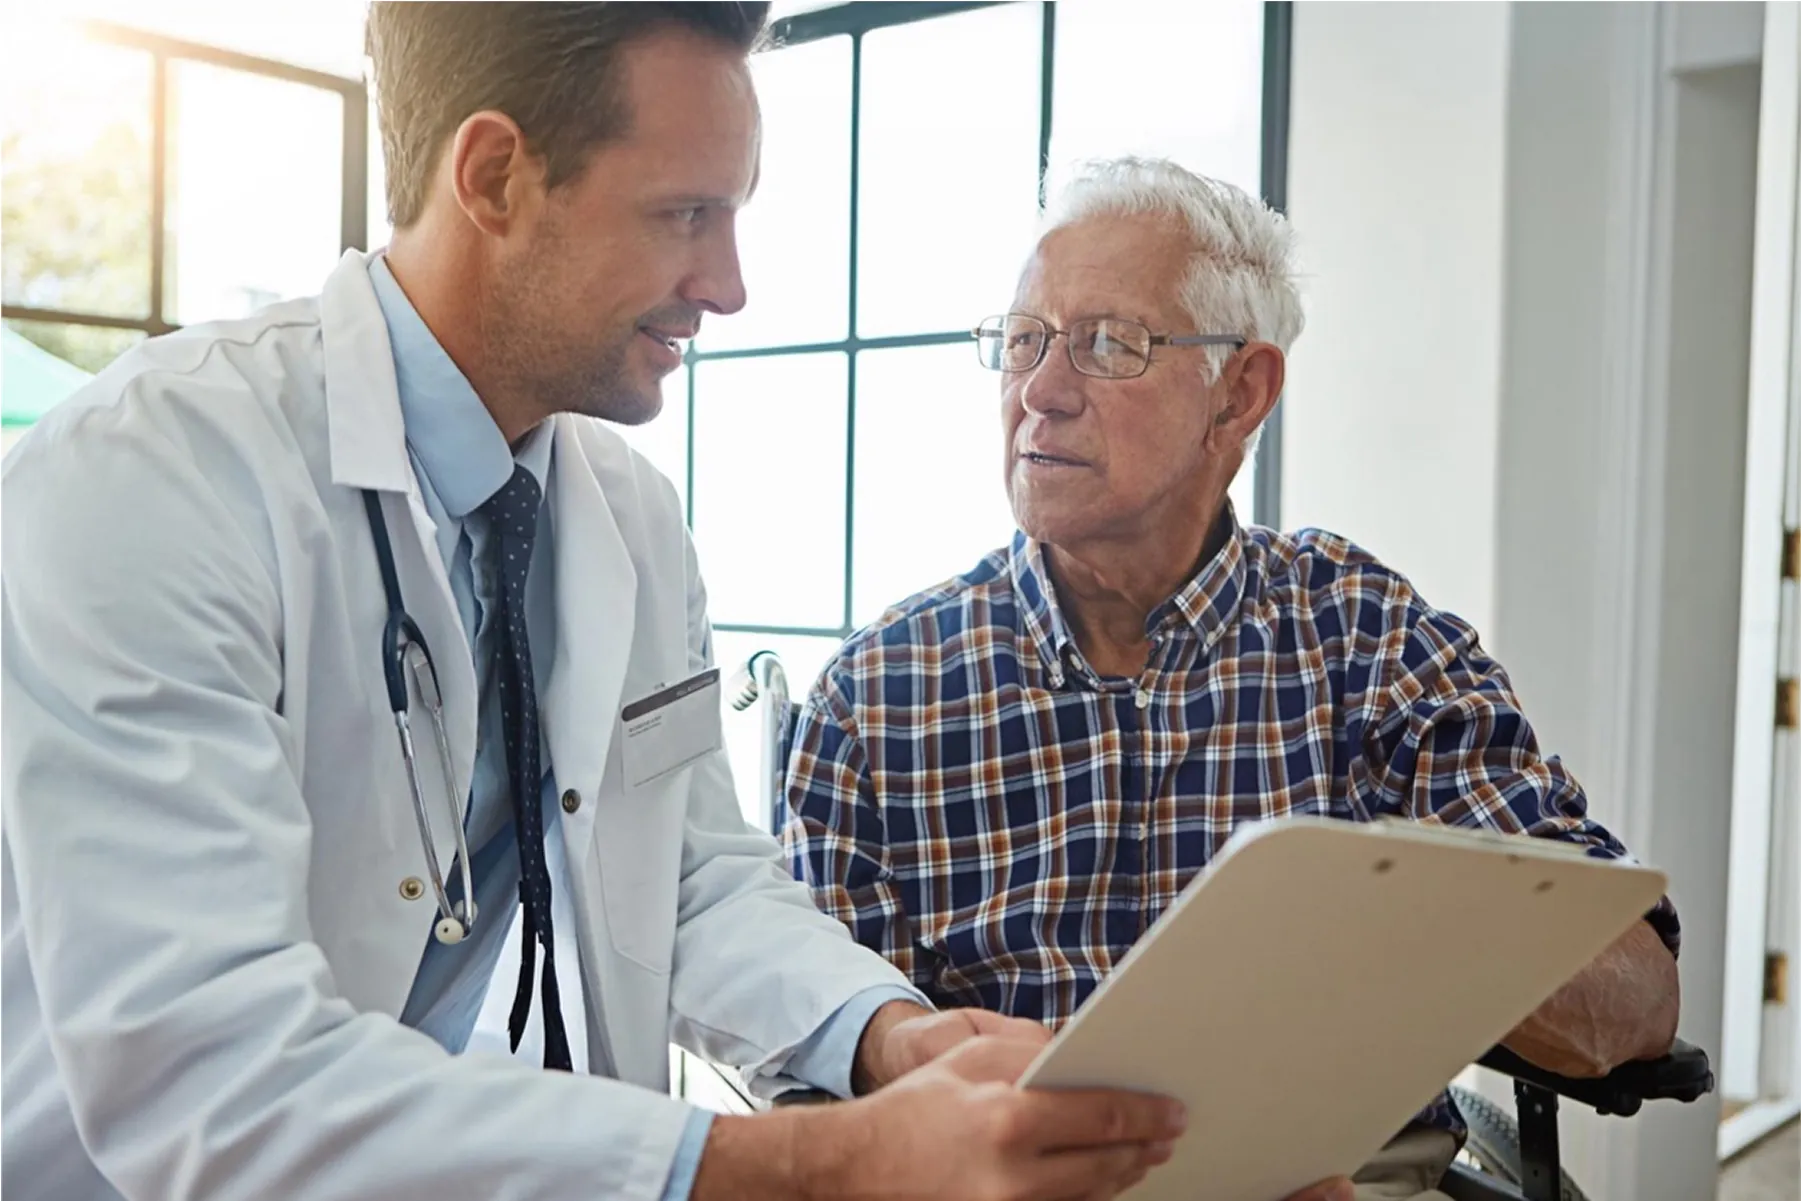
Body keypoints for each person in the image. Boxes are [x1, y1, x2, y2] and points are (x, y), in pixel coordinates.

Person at [0, 8, 1362, 1200]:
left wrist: (894, 1037)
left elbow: (696, 874)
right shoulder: (155, 476)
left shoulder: (626, 516)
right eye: (684, 216)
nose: (729, 285)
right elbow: (208, 1075)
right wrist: (822, 1166)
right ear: (494, 177)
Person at [783, 157, 1684, 1201]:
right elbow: (814, 1068)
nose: (1039, 391)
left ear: (1239, 393)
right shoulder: (879, 692)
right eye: (1023, 340)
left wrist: (1397, 923)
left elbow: (1633, 1005)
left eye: (1106, 343)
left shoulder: (1364, 637)